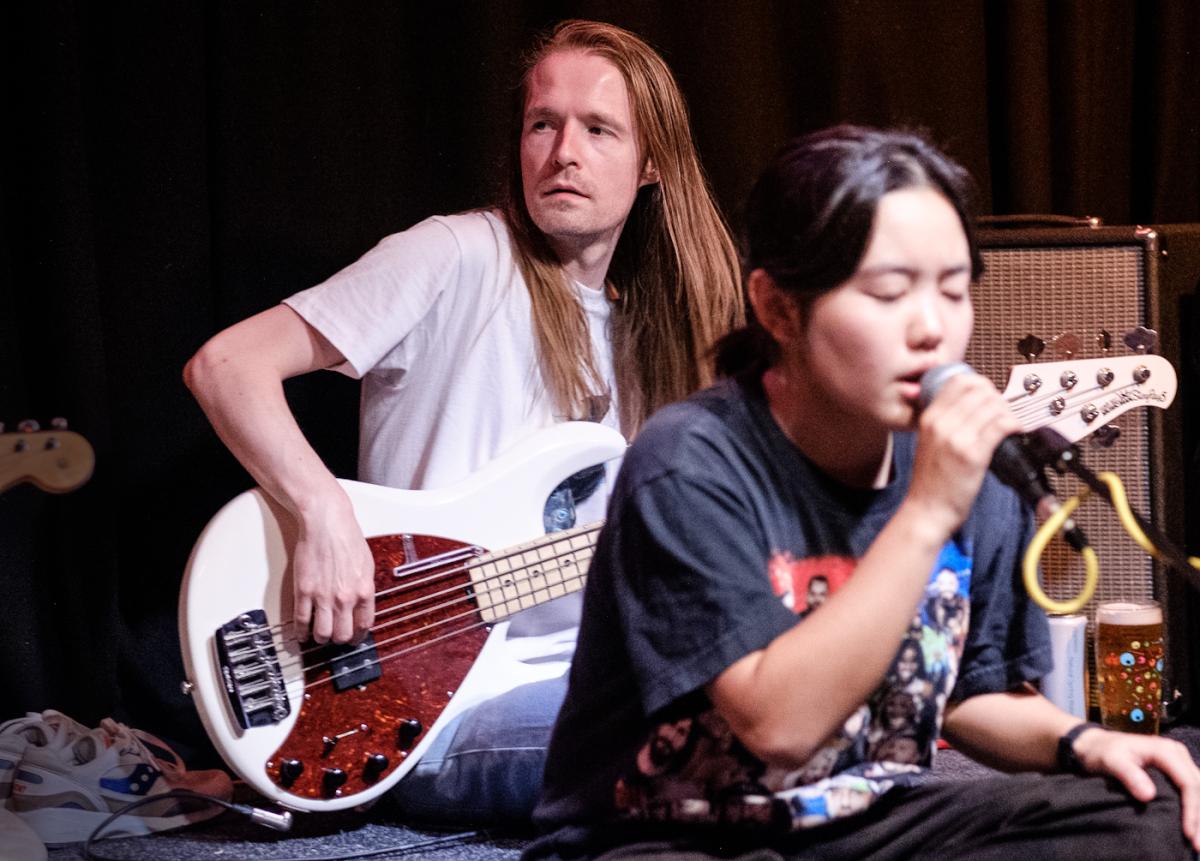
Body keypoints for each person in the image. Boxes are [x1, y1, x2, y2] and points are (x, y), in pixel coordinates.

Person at [526, 126, 1200, 859]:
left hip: (856, 818)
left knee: (1153, 804)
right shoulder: (690, 459)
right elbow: (776, 727)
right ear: (779, 308)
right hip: (664, 834)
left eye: (952, 290)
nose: (932, 328)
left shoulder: (959, 461)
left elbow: (973, 696)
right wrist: (927, 511)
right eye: (888, 292)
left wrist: (1085, 740)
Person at [184, 19, 740, 820]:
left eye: (598, 129)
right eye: (542, 124)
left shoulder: (654, 338)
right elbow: (227, 365)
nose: (563, 152)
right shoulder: (456, 255)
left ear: (653, 164)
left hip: (573, 673)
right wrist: (322, 511)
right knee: (724, 736)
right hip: (424, 703)